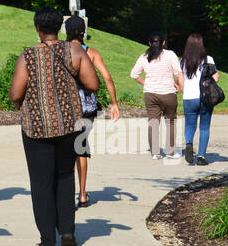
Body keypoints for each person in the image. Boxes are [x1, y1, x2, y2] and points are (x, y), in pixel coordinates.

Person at [10, 8, 100, 246]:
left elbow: (16, 93)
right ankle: (68, 232)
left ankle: (48, 240)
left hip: (37, 128)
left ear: (38, 29)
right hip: (70, 126)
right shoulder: (74, 51)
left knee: (41, 183)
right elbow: (93, 84)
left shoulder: (28, 56)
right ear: (60, 27)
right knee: (64, 176)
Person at [64, 16, 120, 207]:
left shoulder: (60, 51)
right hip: (87, 107)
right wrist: (114, 103)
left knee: (66, 149)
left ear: (66, 31)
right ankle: (82, 194)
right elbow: (107, 78)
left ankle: (67, 194)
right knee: (81, 147)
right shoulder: (91, 52)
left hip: (66, 106)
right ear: (83, 32)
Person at [130, 32, 183, 161]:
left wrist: (145, 83)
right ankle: (170, 152)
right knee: (170, 122)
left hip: (151, 94)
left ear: (149, 43)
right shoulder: (170, 55)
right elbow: (179, 73)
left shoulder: (144, 57)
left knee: (153, 122)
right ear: (163, 43)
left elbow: (134, 74)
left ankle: (155, 153)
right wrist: (178, 85)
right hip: (168, 93)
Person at [178, 32, 219, 166]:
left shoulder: (183, 61)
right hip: (205, 97)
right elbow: (216, 77)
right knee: (204, 127)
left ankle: (189, 143)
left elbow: (180, 80)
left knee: (190, 125)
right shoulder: (208, 59)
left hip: (189, 97)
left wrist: (185, 92)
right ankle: (201, 156)